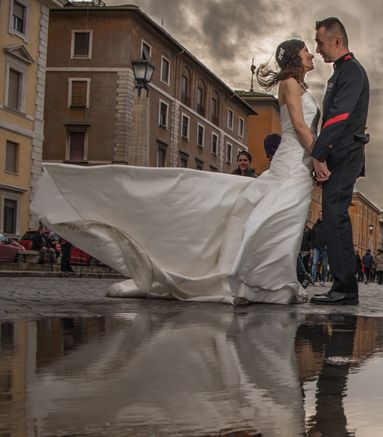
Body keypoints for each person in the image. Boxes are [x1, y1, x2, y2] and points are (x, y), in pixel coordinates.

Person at [33, 38, 320, 304]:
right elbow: (298, 125)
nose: (311, 53)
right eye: (307, 49)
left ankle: (272, 279)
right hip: (293, 162)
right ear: (296, 56)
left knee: (282, 217)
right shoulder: (290, 83)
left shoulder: (300, 85)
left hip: (299, 162)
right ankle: (260, 280)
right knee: (275, 215)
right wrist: (321, 155)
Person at [309, 17, 369, 306]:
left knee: (335, 217)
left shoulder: (351, 72)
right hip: (340, 153)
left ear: (337, 40)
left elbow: (340, 116)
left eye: (320, 42)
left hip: (345, 154)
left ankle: (345, 287)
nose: (317, 49)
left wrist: (318, 153)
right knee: (334, 218)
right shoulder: (340, 73)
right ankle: (343, 286)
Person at [309, 214, 329, 286]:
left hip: (325, 248)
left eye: (322, 215)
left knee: (324, 265)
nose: (321, 216)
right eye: (320, 215)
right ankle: (313, 280)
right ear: (318, 216)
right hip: (316, 247)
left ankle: (323, 280)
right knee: (314, 263)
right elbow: (312, 238)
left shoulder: (328, 226)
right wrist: (311, 248)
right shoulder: (315, 226)